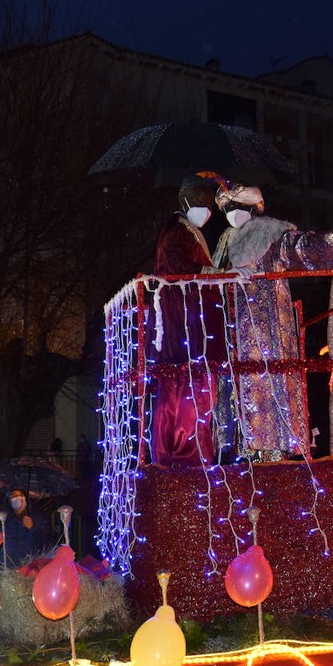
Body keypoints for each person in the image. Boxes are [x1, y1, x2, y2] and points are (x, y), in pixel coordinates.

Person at [211, 181, 333, 461]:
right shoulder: (224, 243)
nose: (232, 214)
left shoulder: (270, 232)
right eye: (228, 209)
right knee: (235, 386)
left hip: (268, 324)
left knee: (269, 381)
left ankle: (270, 451)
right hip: (232, 328)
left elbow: (297, 248)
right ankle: (238, 451)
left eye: (237, 207)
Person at [149, 172, 228, 467]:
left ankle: (189, 449)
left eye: (209, 205)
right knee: (186, 386)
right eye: (200, 202)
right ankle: (186, 451)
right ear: (185, 201)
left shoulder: (185, 230)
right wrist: (217, 274)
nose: (206, 211)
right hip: (185, 322)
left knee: (188, 385)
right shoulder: (176, 231)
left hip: (190, 319)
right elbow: (178, 265)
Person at [2, 488, 52, 567]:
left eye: (21, 495)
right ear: (9, 500)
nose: (18, 498)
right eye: (15, 495)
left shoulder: (36, 517)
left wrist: (33, 527)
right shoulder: (5, 520)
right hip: (10, 567)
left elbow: (45, 539)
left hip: (30, 566)